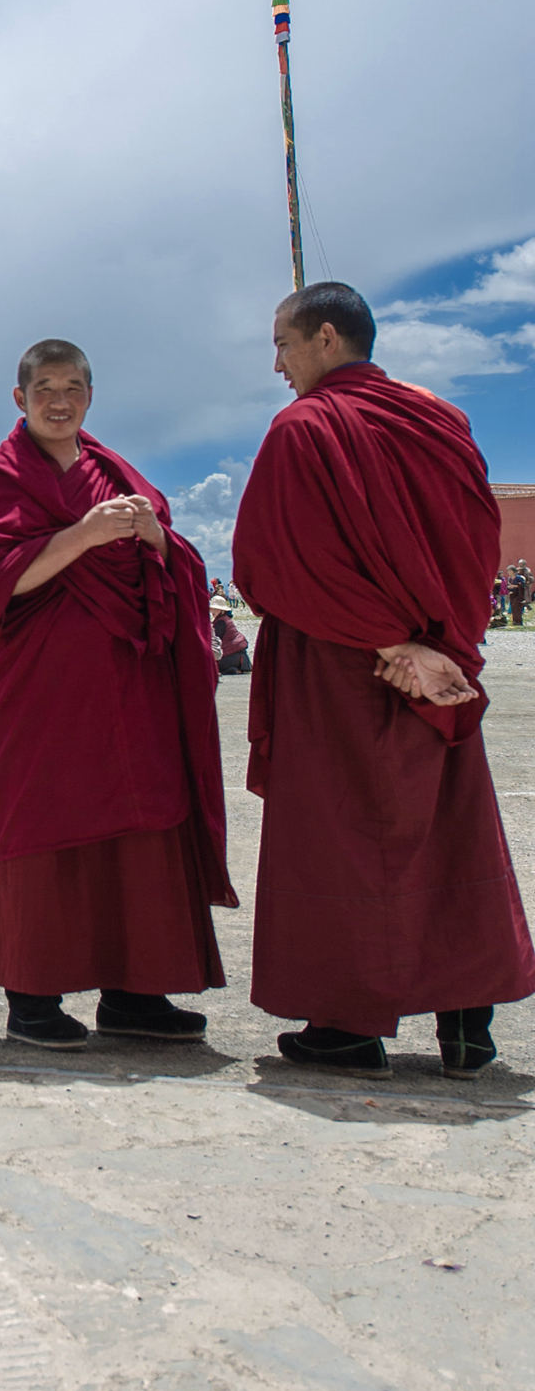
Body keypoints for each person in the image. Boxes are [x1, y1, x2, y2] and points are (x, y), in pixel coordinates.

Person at [232, 282, 534, 1076]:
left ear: (327, 339)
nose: (277, 364)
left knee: (341, 840)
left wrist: (391, 641)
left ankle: (348, 1025)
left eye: (283, 344)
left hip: (337, 671)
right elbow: (475, 546)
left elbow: (271, 567)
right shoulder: (441, 421)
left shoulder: (302, 429)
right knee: (445, 829)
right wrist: (439, 647)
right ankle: (468, 1023)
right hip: (432, 668)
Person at [0, 337, 235, 1049]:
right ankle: (32, 998)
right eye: (45, 387)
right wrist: (82, 536)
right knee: (40, 825)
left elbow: (179, 565)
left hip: (128, 688)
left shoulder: (112, 469)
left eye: (73, 387)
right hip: (41, 696)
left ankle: (136, 993)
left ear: (90, 395)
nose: (60, 401)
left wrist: (157, 540)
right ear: (19, 398)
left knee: (141, 825)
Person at [210, 597, 250, 676]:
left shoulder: (221, 622)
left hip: (233, 657)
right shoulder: (225, 619)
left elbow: (214, 643)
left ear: (222, 610)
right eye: (212, 608)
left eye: (215, 609)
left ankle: (231, 670)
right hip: (239, 657)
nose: (212, 611)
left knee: (210, 665)